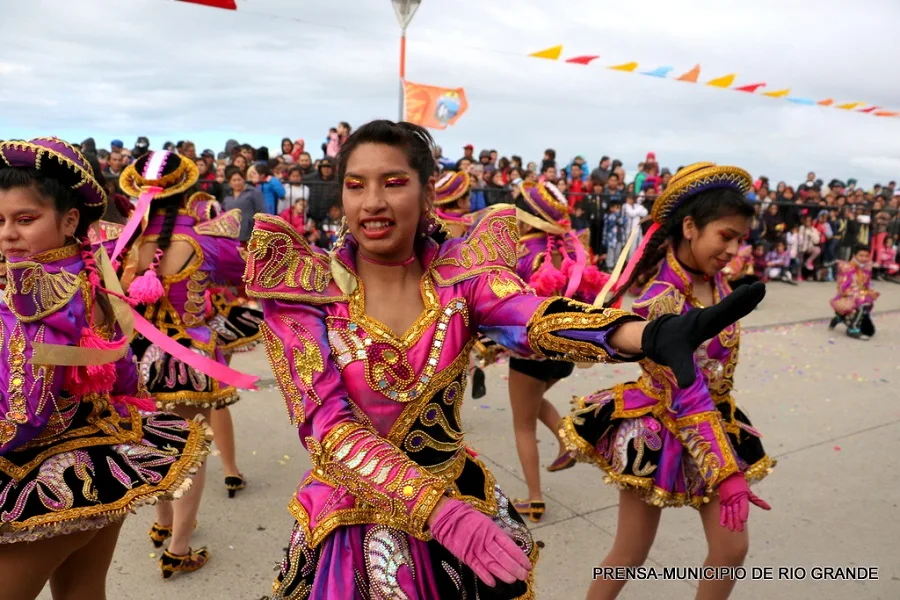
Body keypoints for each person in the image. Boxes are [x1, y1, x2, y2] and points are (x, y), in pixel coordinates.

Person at [244, 122, 765, 599]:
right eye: (356, 185)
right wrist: (438, 513)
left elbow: (531, 317)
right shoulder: (305, 295)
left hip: (457, 499)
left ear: (427, 193)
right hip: (354, 522)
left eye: (394, 182)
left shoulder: (460, 278)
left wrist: (643, 334)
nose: (372, 202)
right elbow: (328, 428)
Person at [0, 137, 209, 597]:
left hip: (45, 474)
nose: (7, 234)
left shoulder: (33, 293)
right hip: (107, 459)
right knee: (84, 591)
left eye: (25, 219)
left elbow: (24, 413)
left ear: (70, 219)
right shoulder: (93, 271)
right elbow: (125, 371)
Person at [559, 162, 774, 600]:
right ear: (691, 227)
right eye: (726, 236)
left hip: (716, 422)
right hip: (661, 428)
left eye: (740, 239)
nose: (734, 249)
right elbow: (687, 393)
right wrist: (728, 473)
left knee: (731, 549)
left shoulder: (717, 283)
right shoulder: (662, 301)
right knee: (631, 551)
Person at [118, 150, 250, 577]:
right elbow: (243, 273)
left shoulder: (124, 244)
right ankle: (178, 547)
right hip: (189, 361)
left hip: (138, 360)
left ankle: (162, 524)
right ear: (185, 192)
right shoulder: (204, 240)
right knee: (190, 451)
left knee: (158, 443)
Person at [508, 181, 614, 523]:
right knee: (532, 402)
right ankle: (567, 440)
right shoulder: (568, 251)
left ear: (527, 220)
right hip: (563, 354)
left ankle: (534, 499)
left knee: (523, 423)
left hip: (531, 353)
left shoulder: (522, 253)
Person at [829, 245, 879, 339]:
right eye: (861, 255)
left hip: (859, 297)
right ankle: (852, 329)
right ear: (854, 255)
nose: (864, 258)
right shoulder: (846, 268)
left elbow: (865, 286)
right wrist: (863, 293)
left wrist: (870, 292)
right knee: (865, 301)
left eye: (866, 256)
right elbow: (842, 290)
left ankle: (840, 317)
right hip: (844, 298)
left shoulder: (867, 268)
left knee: (869, 331)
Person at [223, 168, 266, 244]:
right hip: (230, 233)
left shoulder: (254, 192)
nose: (237, 183)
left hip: (249, 233)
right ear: (230, 182)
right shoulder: (227, 195)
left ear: (244, 179)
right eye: (234, 180)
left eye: (239, 180)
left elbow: (261, 211)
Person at [434, 170, 474, 238]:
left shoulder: (434, 220)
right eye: (469, 200)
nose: (470, 204)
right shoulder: (462, 226)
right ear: (461, 202)